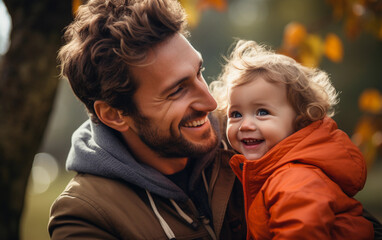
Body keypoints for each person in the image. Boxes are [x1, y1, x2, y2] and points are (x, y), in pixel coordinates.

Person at [48, 0, 246, 239]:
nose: (211, 103)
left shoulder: (247, 137)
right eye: (177, 90)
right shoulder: (84, 216)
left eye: (198, 73)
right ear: (113, 115)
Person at [210, 40, 374, 239]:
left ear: (300, 119)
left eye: (262, 112)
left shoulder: (295, 178)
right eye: (235, 114)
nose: (245, 125)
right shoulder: (276, 172)